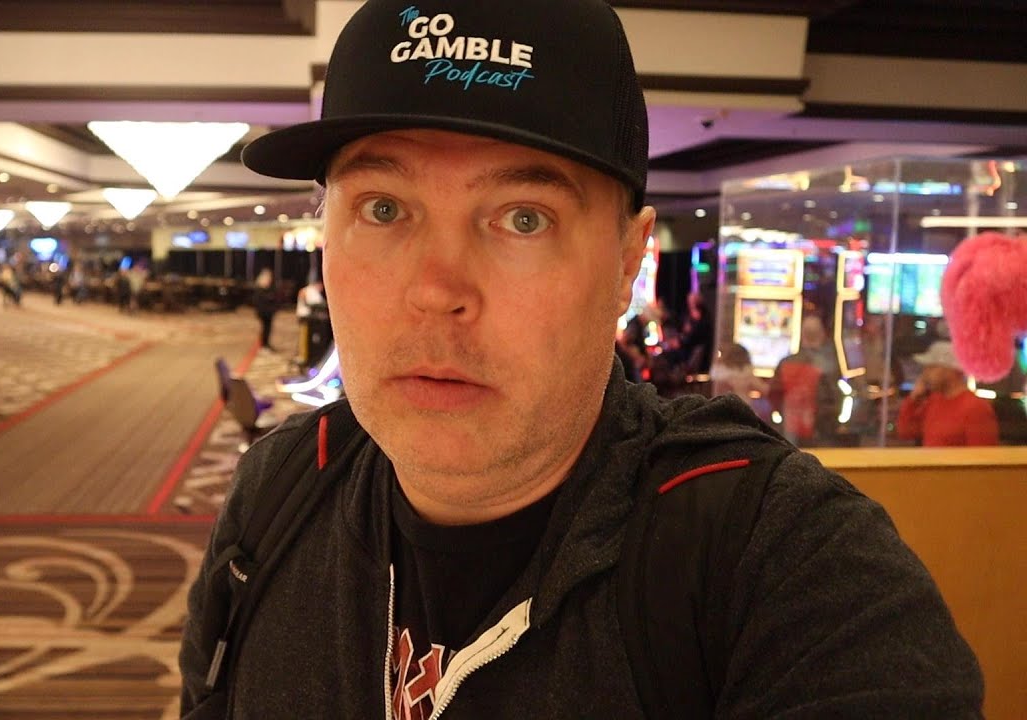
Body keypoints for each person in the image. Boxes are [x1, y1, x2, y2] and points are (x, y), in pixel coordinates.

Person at [180, 1, 982, 717]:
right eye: (384, 209)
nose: (436, 291)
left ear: (629, 261)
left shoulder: (784, 565)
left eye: (523, 218)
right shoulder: (280, 492)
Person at [896, 340, 999, 447]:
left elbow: (983, 453)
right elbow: (905, 431)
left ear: (951, 371)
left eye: (932, 367)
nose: (925, 374)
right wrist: (913, 400)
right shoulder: (934, 401)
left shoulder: (976, 407)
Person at [767, 314, 840, 446]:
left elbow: (773, 394)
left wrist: (783, 414)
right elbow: (834, 399)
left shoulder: (786, 362)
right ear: (822, 335)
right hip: (818, 432)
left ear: (802, 335)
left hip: (790, 427)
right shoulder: (828, 366)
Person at [252, 267, 279, 351]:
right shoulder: (260, 289)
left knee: (268, 329)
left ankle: (266, 344)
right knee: (265, 329)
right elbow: (258, 302)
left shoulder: (269, 288)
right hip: (263, 313)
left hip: (269, 313)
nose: (269, 280)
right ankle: (264, 345)